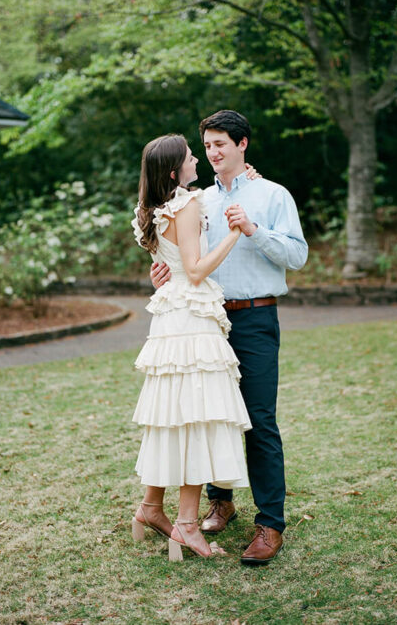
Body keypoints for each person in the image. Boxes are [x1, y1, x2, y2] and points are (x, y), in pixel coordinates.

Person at [150, 110, 308, 565]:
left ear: (242, 145)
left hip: (256, 319)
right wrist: (162, 273)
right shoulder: (196, 200)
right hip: (208, 321)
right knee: (210, 414)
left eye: (221, 144)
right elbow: (180, 254)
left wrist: (254, 230)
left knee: (258, 420)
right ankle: (221, 501)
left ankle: (270, 524)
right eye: (207, 145)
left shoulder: (273, 195)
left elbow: (297, 256)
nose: (212, 152)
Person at [130, 134, 252, 560]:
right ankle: (184, 525)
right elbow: (196, 270)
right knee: (198, 416)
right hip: (190, 321)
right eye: (189, 155)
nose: (197, 158)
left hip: (170, 318)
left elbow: (166, 262)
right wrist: (236, 233)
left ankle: (150, 507)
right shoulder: (187, 205)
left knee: (173, 417)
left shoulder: (155, 208)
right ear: (172, 170)